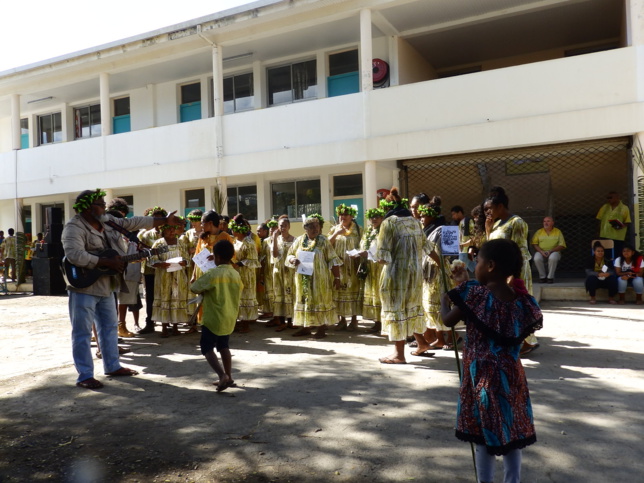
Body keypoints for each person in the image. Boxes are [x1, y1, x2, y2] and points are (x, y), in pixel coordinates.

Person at [440, 239, 542, 483]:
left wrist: (445, 299)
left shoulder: (474, 295)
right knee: (511, 430)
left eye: (478, 261)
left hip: (482, 379)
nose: (474, 265)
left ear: (491, 265)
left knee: (483, 434)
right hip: (511, 377)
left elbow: (447, 321)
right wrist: (464, 280)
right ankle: (512, 480)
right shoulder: (522, 301)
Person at [61, 189, 183, 389]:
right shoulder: (73, 227)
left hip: (107, 284)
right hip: (84, 287)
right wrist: (104, 261)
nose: (104, 207)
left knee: (109, 328)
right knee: (82, 332)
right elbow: (75, 256)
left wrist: (163, 221)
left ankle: (112, 366)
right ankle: (84, 375)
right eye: (100, 204)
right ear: (87, 208)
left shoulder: (107, 221)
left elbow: (133, 222)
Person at [484, 186, 539, 356]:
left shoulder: (517, 222)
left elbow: (520, 251)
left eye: (490, 208)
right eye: (485, 209)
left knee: (519, 305)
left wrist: (512, 276)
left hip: (515, 272)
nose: (487, 212)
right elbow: (491, 247)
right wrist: (488, 229)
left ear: (501, 206)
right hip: (500, 273)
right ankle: (515, 340)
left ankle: (528, 341)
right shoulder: (497, 223)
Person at [376, 189, 428, 364]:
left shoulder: (389, 223)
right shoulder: (415, 222)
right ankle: (422, 342)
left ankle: (399, 354)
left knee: (397, 309)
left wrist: (374, 257)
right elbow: (428, 247)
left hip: (396, 275)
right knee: (410, 307)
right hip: (415, 275)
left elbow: (383, 257)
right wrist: (443, 267)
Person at [190, 240, 243, 392]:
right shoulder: (235, 273)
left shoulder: (213, 274)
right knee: (224, 346)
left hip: (213, 318)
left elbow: (194, 287)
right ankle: (229, 376)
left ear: (217, 257)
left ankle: (222, 375)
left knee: (207, 347)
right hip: (229, 316)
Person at [287, 214, 342, 339]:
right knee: (305, 300)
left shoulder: (323, 241)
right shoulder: (299, 240)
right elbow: (289, 254)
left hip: (320, 279)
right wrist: (292, 259)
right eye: (311, 226)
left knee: (320, 301)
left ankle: (321, 328)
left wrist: (337, 278)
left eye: (317, 226)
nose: (315, 229)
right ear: (305, 228)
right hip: (303, 278)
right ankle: (306, 328)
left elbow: (333, 260)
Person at [149, 222, 190, 337]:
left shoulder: (181, 243)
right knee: (164, 298)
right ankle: (164, 328)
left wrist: (184, 262)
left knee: (176, 298)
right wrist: (161, 264)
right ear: (164, 230)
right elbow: (151, 260)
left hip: (178, 276)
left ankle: (176, 327)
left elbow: (187, 259)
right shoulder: (158, 244)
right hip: (163, 277)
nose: (172, 231)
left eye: (174, 229)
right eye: (169, 229)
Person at [328, 204, 362, 331]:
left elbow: (363, 245)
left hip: (353, 266)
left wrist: (358, 254)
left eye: (346, 214)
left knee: (353, 292)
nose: (343, 217)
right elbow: (327, 244)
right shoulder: (335, 229)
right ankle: (341, 320)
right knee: (339, 292)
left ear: (352, 216)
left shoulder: (358, 230)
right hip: (339, 267)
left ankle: (354, 320)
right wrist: (336, 233)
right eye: (341, 214)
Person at [137, 206, 167, 334]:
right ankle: (150, 323)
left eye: (161, 219)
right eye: (156, 219)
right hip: (149, 270)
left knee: (165, 296)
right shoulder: (145, 235)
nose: (159, 222)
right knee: (150, 297)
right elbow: (139, 251)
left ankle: (167, 322)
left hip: (166, 270)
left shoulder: (169, 232)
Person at [357, 208, 385, 333]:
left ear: (382, 218)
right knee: (373, 293)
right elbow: (363, 244)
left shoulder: (384, 231)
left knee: (380, 293)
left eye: (377, 217)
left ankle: (382, 322)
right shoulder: (368, 231)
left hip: (379, 267)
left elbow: (382, 248)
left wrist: (367, 253)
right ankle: (376, 321)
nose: (374, 219)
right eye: (372, 217)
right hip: (369, 267)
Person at [231, 214, 261, 333]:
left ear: (239, 230)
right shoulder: (235, 241)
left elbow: (253, 260)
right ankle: (239, 320)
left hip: (246, 274)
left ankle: (246, 324)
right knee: (238, 297)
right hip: (236, 273)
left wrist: (239, 264)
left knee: (246, 296)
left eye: (233, 229)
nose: (232, 231)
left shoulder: (249, 242)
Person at [271, 215, 296, 332]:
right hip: (278, 271)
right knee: (279, 294)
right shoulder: (276, 239)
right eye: (281, 225)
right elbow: (274, 254)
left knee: (290, 294)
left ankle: (291, 321)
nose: (283, 228)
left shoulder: (294, 240)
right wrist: (275, 238)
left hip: (290, 272)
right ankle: (281, 321)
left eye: (285, 225)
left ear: (289, 226)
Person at [531, 216, 566, 284]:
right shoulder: (539, 232)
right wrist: (541, 251)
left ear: (552, 223)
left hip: (554, 251)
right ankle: (542, 277)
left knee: (553, 258)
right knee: (536, 258)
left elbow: (562, 245)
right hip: (541, 251)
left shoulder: (558, 231)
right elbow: (534, 244)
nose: (546, 223)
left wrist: (550, 251)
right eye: (544, 221)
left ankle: (550, 277)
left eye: (548, 221)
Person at [596, 191, 631, 258]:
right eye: (607, 198)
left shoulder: (624, 208)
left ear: (617, 198)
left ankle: (616, 268)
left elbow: (627, 221)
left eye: (610, 197)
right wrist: (598, 232)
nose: (609, 199)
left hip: (617, 237)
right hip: (605, 235)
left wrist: (621, 226)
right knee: (605, 255)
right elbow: (599, 219)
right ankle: (606, 268)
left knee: (616, 255)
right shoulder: (605, 207)